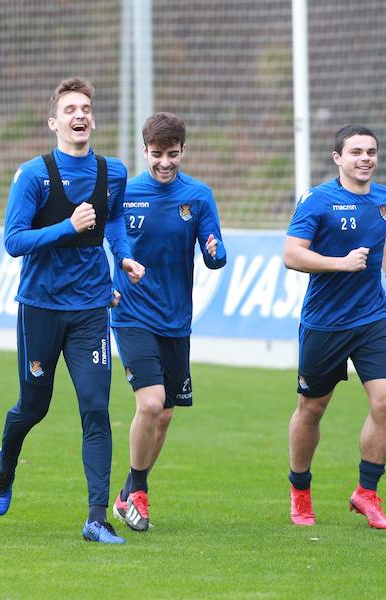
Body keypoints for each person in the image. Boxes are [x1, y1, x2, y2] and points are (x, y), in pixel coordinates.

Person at [0, 77, 145, 544]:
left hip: (92, 308)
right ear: (54, 122)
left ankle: (97, 518)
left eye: (87, 108)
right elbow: (14, 242)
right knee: (33, 407)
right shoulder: (33, 175)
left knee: (96, 409)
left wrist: (124, 256)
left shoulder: (112, 171)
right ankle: (5, 464)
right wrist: (66, 226)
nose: (81, 115)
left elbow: (113, 220)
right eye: (70, 108)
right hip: (41, 308)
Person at [283, 124, 386, 529]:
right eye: (356, 151)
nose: (365, 158)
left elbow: (381, 237)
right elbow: (292, 254)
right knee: (312, 408)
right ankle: (300, 491)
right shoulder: (317, 200)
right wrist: (340, 263)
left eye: (371, 152)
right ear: (337, 158)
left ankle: (367, 492)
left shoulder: (383, 197)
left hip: (372, 318)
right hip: (325, 323)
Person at [109, 112, 227, 532]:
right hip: (131, 313)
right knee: (151, 403)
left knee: (166, 415)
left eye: (172, 154)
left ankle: (127, 492)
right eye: (156, 154)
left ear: (183, 151)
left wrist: (214, 250)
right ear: (144, 151)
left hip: (176, 320)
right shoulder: (124, 195)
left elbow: (215, 251)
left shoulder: (198, 196)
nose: (164, 162)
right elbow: (103, 243)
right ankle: (138, 491)